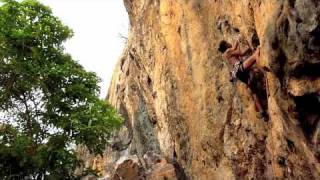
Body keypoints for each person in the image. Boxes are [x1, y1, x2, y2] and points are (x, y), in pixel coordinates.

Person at [218, 40, 266, 117]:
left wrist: (247, 48)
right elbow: (238, 50)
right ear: (226, 45)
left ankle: (261, 111)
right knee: (255, 55)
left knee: (254, 91)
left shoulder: (226, 55)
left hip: (238, 73)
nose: (229, 43)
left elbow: (241, 53)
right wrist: (237, 41)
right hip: (239, 68)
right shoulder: (227, 51)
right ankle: (264, 69)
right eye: (228, 43)